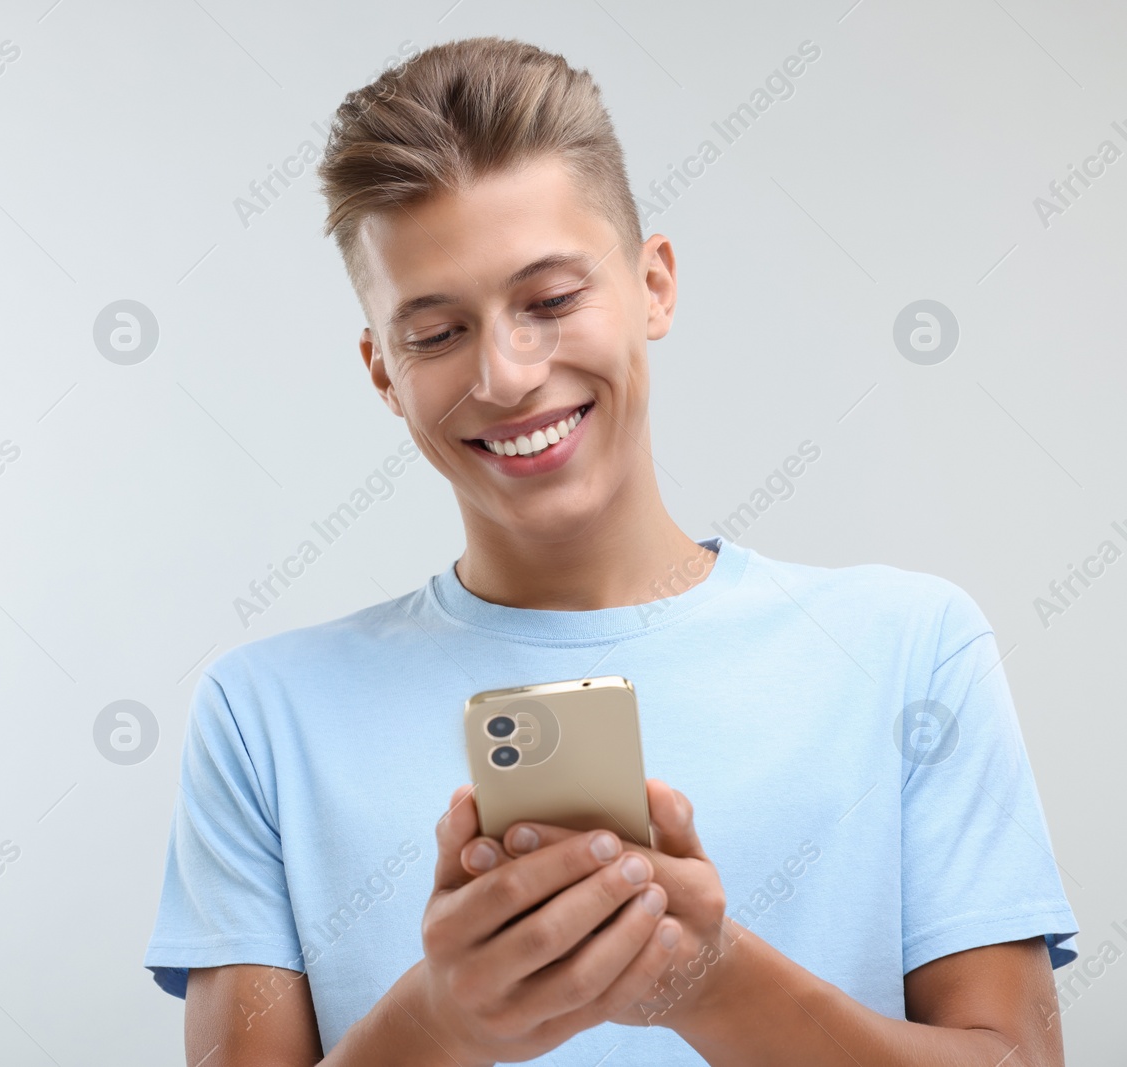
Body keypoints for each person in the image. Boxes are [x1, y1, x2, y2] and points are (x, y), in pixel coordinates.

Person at [143, 35, 1078, 1065]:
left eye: (549, 300)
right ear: (381, 371)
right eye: (436, 331)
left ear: (653, 286)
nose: (504, 374)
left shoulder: (910, 647)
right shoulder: (261, 714)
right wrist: (437, 1024)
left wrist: (714, 982)